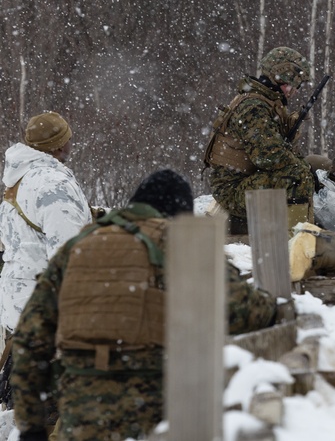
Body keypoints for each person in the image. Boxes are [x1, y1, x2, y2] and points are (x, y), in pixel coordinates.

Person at [10, 169, 281, 441]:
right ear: (179, 214)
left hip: (80, 420)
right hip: (153, 417)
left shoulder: (78, 246)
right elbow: (244, 310)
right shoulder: (177, 240)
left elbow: (30, 339)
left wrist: (30, 424)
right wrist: (274, 307)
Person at [205, 46, 315, 234]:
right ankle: (295, 240)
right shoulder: (253, 107)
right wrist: (302, 168)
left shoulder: (266, 102)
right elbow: (269, 157)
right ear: (282, 78)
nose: (296, 91)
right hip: (232, 189)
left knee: (306, 167)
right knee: (298, 176)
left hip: (243, 180)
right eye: (296, 85)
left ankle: (298, 231)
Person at [0, 112, 91, 337]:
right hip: (45, 312)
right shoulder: (54, 184)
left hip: (19, 303)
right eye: (68, 138)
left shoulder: (20, 178)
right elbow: (67, 255)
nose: (72, 142)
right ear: (59, 146)